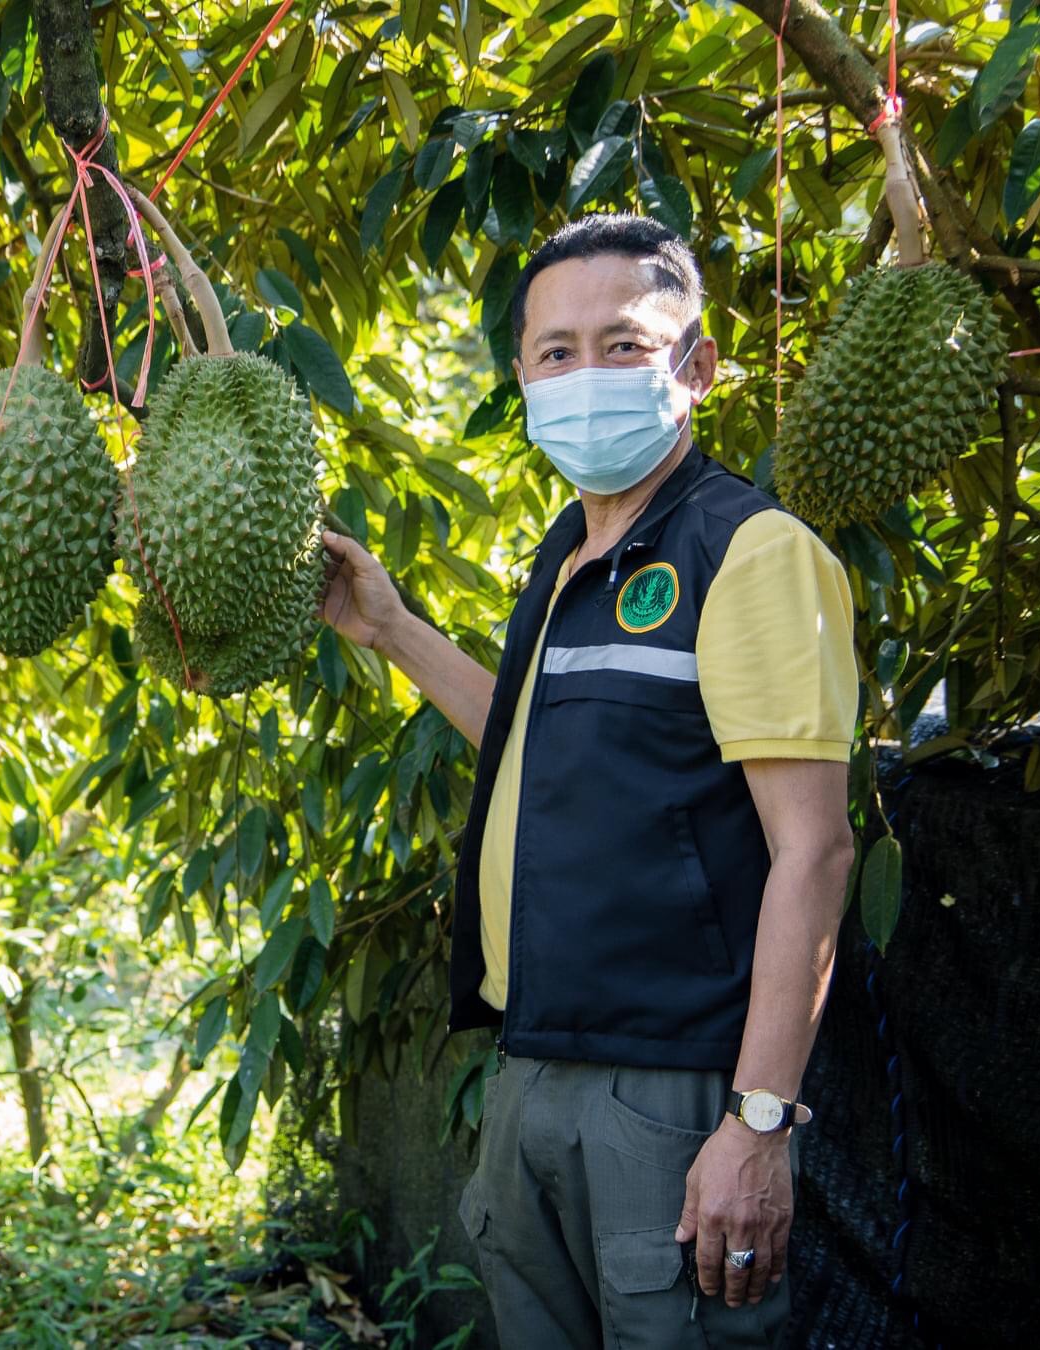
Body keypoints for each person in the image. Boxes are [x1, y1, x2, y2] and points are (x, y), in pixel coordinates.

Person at [319, 214, 858, 1346]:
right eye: (554, 352)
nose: (584, 374)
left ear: (696, 365)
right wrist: (395, 630)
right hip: (533, 1066)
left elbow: (815, 849)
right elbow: (531, 747)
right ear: (521, 373)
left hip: (670, 1091)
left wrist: (757, 1124)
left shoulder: (749, 554)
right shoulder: (567, 555)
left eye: (623, 344)